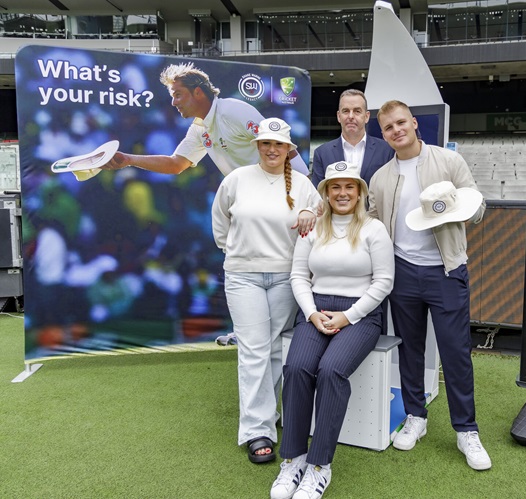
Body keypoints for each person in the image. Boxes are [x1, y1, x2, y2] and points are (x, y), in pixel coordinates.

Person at [367, 100, 492, 471]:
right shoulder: (380, 177)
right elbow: (372, 227)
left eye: (401, 122)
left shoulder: (448, 161)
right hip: (402, 272)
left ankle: (466, 429)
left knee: (455, 352)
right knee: (410, 350)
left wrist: (459, 207)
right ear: (384, 134)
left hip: (446, 270)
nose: (396, 131)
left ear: (415, 123)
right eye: (388, 127)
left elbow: (477, 206)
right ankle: (415, 417)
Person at [270, 161, 394, 499]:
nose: (342, 193)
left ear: (359, 193)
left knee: (331, 370)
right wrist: (311, 314)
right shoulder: (314, 229)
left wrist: (348, 316)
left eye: (349, 187)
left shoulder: (374, 229)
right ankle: (293, 459)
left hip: (361, 315)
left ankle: (319, 466)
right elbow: (299, 276)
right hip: (316, 310)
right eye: (335, 187)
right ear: (325, 192)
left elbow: (384, 282)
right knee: (296, 368)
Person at [211, 118, 321, 463]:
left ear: (289, 149)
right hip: (243, 277)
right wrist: (238, 254)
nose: (272, 150)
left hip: (286, 278)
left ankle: (266, 416)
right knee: (255, 350)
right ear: (256, 146)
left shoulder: (303, 184)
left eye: (279, 145)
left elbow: (324, 213)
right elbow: (220, 224)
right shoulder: (236, 179)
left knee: (274, 350)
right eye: (265, 144)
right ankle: (257, 429)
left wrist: (308, 211)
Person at [102, 62, 309, 176]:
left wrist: (305, 189)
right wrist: (129, 160)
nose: (174, 103)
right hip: (252, 203)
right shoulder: (199, 128)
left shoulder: (232, 110)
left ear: (198, 92)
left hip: (284, 197)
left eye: (178, 95)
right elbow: (176, 164)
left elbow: (281, 145)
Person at [310, 89, 393, 187]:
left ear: (366, 116)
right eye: (345, 111)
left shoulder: (387, 150)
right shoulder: (322, 153)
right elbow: (318, 195)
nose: (351, 116)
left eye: (357, 111)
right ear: (338, 116)